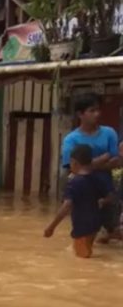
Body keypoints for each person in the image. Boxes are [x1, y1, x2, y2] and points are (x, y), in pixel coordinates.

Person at [61, 93, 121, 242]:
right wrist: (103, 158)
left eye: (98, 110)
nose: (97, 114)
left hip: (106, 186)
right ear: (80, 114)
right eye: (92, 111)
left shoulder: (109, 133)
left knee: (112, 225)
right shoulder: (71, 139)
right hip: (83, 188)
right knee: (84, 234)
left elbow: (117, 161)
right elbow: (71, 168)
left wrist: (88, 166)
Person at [45, 144, 115, 258]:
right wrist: (101, 202)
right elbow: (110, 196)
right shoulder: (98, 178)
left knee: (82, 258)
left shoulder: (73, 183)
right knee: (87, 251)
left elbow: (67, 206)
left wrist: (51, 227)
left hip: (81, 227)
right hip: (95, 225)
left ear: (74, 162)